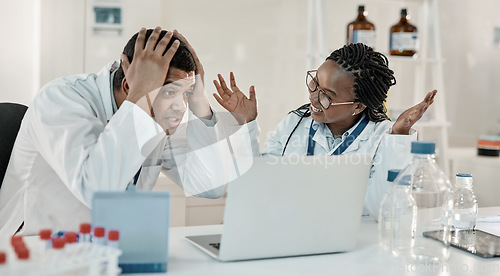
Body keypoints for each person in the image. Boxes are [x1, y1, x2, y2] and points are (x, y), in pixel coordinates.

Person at [0, 27, 258, 236]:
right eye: (170, 92)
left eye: (186, 94)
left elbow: (207, 187)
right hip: (32, 249)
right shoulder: (61, 100)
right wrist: (140, 96)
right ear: (128, 84)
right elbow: (98, 190)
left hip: (110, 249)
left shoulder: (159, 115)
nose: (180, 108)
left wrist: (200, 103)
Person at [214, 43, 436, 218]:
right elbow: (260, 181)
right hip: (288, 229)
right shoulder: (294, 123)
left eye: (326, 95)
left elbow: (382, 208)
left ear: (357, 106)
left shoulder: (382, 137)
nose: (312, 97)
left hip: (355, 242)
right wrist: (246, 124)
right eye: (314, 83)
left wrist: (398, 137)